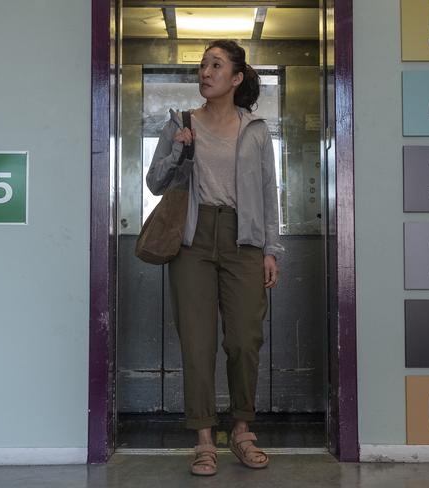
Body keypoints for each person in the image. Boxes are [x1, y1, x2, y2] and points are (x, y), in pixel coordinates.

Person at [146, 39, 284, 476]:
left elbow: (268, 192)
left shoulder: (256, 130)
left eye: (216, 65)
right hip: (193, 239)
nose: (205, 72)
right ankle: (204, 439)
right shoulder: (181, 122)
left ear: (237, 78)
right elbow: (154, 182)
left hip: (243, 240)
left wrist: (271, 250)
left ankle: (241, 429)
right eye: (203, 65)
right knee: (198, 342)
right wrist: (178, 149)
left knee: (244, 339)